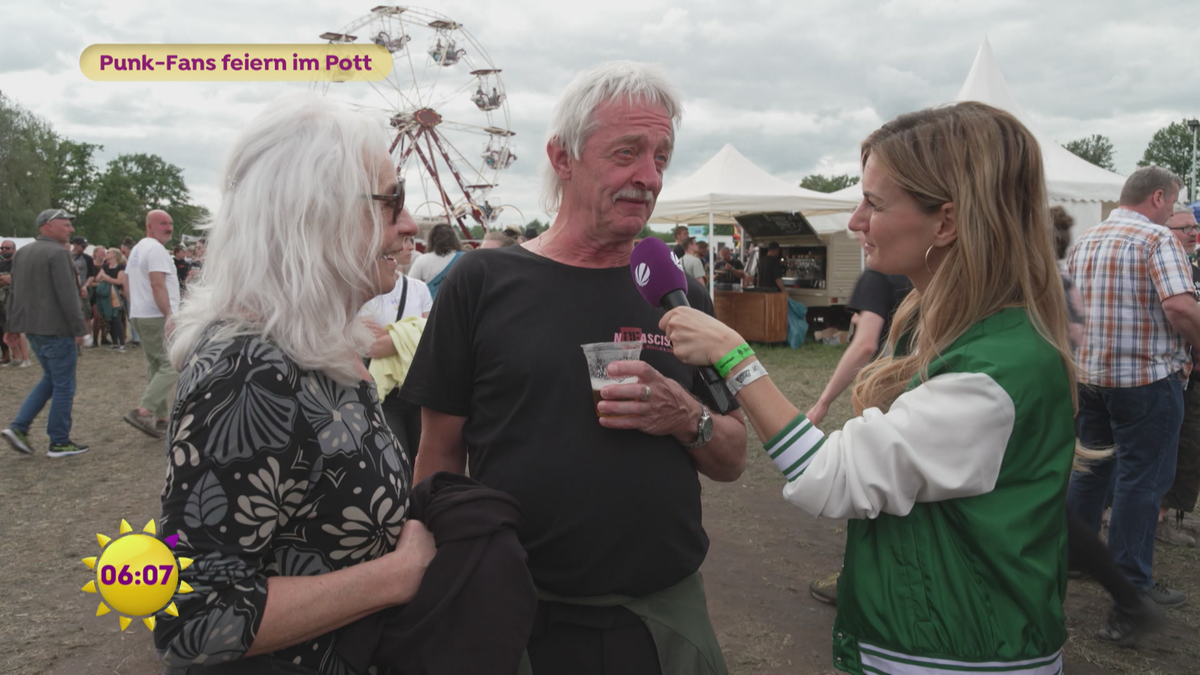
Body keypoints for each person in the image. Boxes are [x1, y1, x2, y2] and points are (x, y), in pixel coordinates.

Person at [663, 102, 1079, 674]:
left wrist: (733, 355)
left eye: (874, 203)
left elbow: (829, 476)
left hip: (960, 658)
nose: (856, 220)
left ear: (947, 223)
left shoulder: (997, 368)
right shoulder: (960, 333)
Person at [401, 61, 747, 674]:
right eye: (627, 153)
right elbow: (438, 458)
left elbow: (733, 457)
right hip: (514, 610)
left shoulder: (678, 293)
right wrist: (442, 575)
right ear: (562, 158)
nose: (649, 178)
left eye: (662, 158)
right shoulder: (483, 282)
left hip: (660, 617)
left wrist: (684, 416)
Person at [156, 92, 436, 673]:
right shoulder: (248, 371)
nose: (410, 224)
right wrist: (396, 574)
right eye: (393, 201)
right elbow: (194, 617)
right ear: (318, 212)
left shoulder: (322, 348)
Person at [1066, 166, 1200, 607]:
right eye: (1174, 203)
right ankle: (1131, 580)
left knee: (1091, 471)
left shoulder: (1086, 239)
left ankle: (1075, 557)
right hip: (1146, 380)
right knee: (1142, 479)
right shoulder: (1157, 239)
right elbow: (1181, 307)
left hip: (1091, 378)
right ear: (1158, 198)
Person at [803, 251, 912, 606]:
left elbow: (865, 342)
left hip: (886, 391)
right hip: (921, 391)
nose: (860, 228)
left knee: (870, 488)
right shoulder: (923, 270)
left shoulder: (877, 274)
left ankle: (856, 577)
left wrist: (823, 401)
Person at [1, 209, 90, 458]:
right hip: (56, 330)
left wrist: (11, 327)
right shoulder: (58, 254)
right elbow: (68, 296)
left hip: (33, 330)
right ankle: (59, 441)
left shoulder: (23, 253)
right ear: (48, 226)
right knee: (64, 385)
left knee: (50, 380)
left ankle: (19, 428)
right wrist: (79, 329)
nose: (71, 230)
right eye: (65, 225)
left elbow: (15, 293)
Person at [359, 227, 433, 457]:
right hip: (385, 395)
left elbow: (431, 338)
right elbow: (371, 347)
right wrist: (410, 333)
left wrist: (392, 337)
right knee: (396, 458)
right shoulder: (364, 290)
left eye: (412, 240)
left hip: (418, 389)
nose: (411, 246)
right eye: (405, 240)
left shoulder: (418, 288)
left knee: (423, 459)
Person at [1160, 203, 1200, 547]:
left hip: (1191, 373)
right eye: (1184, 228)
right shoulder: (1161, 263)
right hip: (1168, 370)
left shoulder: (1192, 267)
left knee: (1188, 450)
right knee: (1167, 447)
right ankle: (1157, 521)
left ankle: (1170, 516)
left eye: (1194, 228)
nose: (1192, 234)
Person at [123, 210, 181, 438]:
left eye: (170, 223)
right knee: (173, 364)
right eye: (162, 223)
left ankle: (162, 418)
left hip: (141, 314)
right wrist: (168, 315)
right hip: (157, 315)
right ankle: (143, 411)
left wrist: (135, 305)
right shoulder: (156, 250)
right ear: (149, 226)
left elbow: (127, 282)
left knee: (156, 365)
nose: (168, 227)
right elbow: (158, 285)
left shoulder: (138, 248)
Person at [408, 223, 463, 300]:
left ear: (431, 240)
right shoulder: (463, 258)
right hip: (459, 306)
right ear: (455, 239)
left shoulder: (422, 260)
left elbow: (410, 287)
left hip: (431, 308)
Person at [95, 249, 129, 352]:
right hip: (106, 297)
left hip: (117, 297)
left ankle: (122, 343)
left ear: (114, 255)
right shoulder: (105, 267)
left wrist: (107, 278)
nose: (106, 253)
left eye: (109, 252)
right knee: (109, 319)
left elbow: (119, 281)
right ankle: (114, 343)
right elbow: (97, 279)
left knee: (117, 319)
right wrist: (104, 277)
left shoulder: (121, 267)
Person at [69, 236, 96, 345]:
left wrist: (85, 286)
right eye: (82, 246)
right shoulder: (66, 256)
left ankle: (88, 338)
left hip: (82, 290)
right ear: (74, 244)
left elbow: (91, 275)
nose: (84, 248)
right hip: (70, 290)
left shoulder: (87, 259)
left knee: (85, 314)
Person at [0, 239, 15, 364]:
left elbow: (14, 280)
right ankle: (5, 355)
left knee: (11, 326)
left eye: (7, 248)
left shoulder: (18, 263)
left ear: (13, 249)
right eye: (2, 248)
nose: (4, 250)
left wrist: (7, 279)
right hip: (1, 298)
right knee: (1, 327)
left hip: (12, 299)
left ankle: (18, 356)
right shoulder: (1, 263)